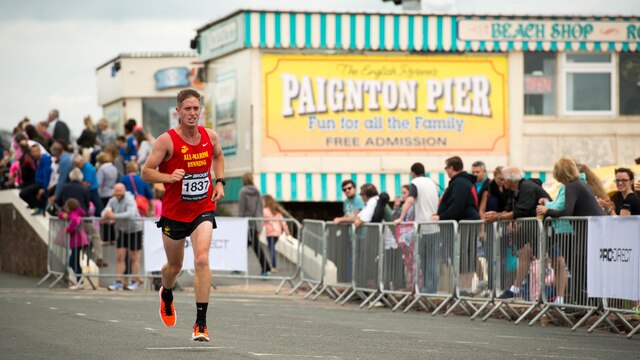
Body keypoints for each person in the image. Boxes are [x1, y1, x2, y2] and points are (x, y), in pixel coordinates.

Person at [141, 88, 225, 342]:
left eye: (196, 108)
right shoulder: (165, 141)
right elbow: (146, 172)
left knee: (201, 259)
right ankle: (166, 293)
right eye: (187, 109)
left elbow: (218, 156)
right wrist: (168, 177)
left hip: (202, 208)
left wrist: (219, 183)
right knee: (174, 267)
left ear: (201, 111)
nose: (192, 113)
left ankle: (201, 324)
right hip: (175, 213)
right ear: (177, 112)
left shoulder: (210, 136)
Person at [536, 158, 605, 304]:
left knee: (580, 266)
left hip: (588, 231)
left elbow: (566, 211)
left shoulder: (572, 187)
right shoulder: (581, 184)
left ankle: (584, 304)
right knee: (583, 266)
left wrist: (547, 210)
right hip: (593, 229)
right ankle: (585, 303)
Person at [485, 167, 551, 300]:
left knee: (554, 261)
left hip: (547, 228)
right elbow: (509, 209)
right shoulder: (514, 190)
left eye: (504, 179)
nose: (502, 182)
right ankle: (516, 289)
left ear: (510, 180)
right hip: (534, 228)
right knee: (525, 254)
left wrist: (497, 217)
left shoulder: (527, 187)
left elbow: (521, 211)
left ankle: (550, 295)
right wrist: (498, 215)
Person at [393, 162, 440, 293]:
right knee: (433, 259)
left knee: (425, 260)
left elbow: (409, 200)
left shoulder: (416, 182)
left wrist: (400, 218)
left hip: (423, 227)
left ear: (413, 173)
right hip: (435, 226)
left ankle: (427, 288)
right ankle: (432, 288)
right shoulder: (432, 183)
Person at [103, 183, 144, 291]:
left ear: (124, 190)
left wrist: (114, 216)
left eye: (120, 190)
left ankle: (135, 281)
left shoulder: (130, 199)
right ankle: (118, 281)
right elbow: (105, 211)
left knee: (134, 257)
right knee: (120, 256)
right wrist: (106, 214)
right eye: (116, 190)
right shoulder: (112, 200)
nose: (118, 193)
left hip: (135, 230)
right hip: (122, 230)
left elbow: (130, 214)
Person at [239, 172, 271, 276]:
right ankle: (266, 268)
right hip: (255, 223)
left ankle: (266, 268)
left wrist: (239, 222)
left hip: (245, 222)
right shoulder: (258, 192)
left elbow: (242, 209)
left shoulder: (243, 192)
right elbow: (259, 209)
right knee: (250, 245)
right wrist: (259, 224)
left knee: (249, 246)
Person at [58, 198, 89, 290]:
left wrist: (68, 230)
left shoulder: (74, 214)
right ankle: (80, 281)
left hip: (78, 242)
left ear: (69, 207)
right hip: (78, 242)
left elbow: (75, 221)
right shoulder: (76, 213)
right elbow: (61, 215)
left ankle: (80, 281)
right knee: (75, 262)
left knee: (72, 262)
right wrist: (62, 216)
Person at [19, 144, 52, 214]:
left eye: (36, 151)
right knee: (23, 188)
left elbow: (47, 175)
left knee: (23, 193)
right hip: (37, 182)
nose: (35, 153)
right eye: (33, 152)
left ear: (40, 151)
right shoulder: (35, 160)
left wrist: (44, 188)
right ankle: (34, 205)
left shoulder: (45, 159)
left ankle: (39, 206)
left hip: (42, 183)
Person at [262, 194, 291, 273]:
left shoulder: (265, 211)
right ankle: (274, 265)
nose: (262, 202)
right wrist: (287, 231)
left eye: (263, 201)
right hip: (277, 232)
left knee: (271, 249)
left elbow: (262, 222)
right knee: (272, 248)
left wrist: (259, 230)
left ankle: (274, 266)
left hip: (270, 232)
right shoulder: (277, 211)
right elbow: (283, 222)